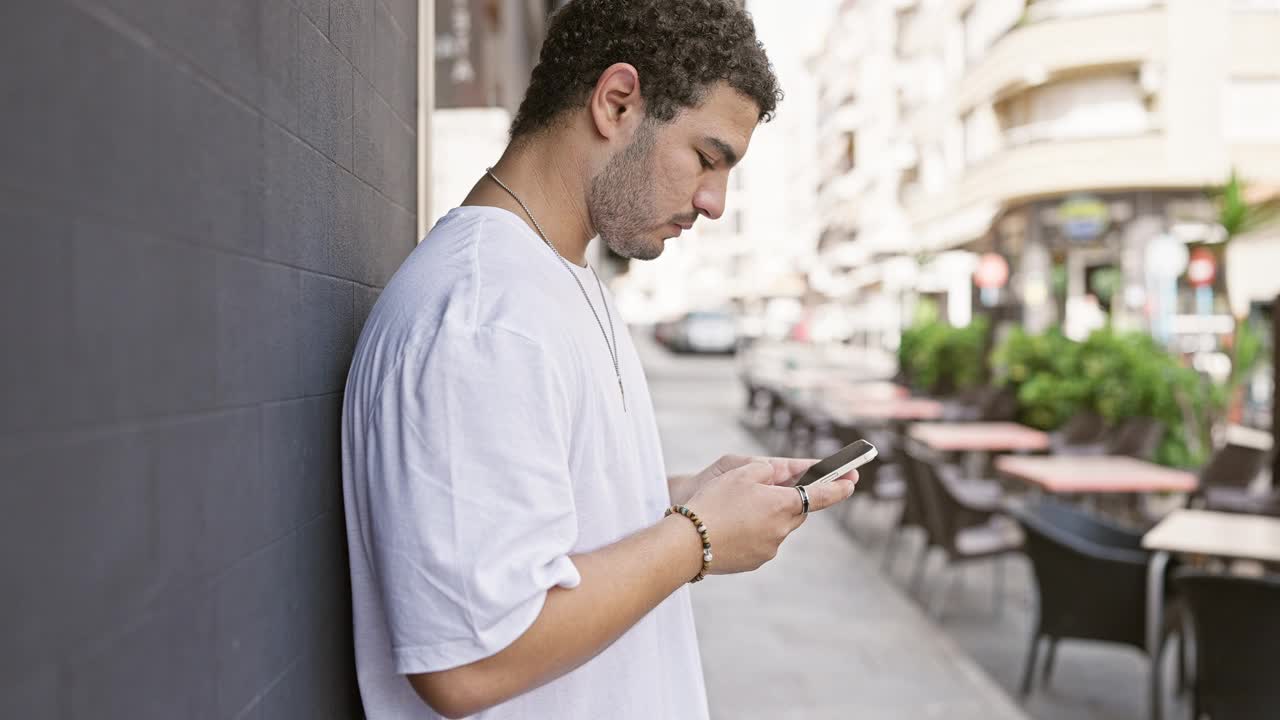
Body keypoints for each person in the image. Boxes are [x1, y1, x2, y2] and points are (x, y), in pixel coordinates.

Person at [341, 1, 858, 717]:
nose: (715, 202)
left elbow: (546, 508)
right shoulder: (485, 313)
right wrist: (699, 540)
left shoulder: (553, 280)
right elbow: (468, 657)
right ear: (617, 102)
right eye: (708, 159)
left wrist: (687, 497)